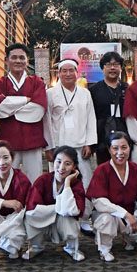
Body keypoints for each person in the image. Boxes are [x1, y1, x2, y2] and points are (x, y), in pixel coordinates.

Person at [44, 58, 97, 233]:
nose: (68, 74)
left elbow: (91, 118)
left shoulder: (85, 93)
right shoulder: (50, 93)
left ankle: (84, 217)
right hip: (59, 147)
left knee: (85, 182)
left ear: (77, 73)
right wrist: (49, 147)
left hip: (81, 146)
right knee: (58, 183)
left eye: (71, 70)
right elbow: (46, 121)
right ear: (58, 73)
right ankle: (58, 218)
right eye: (64, 71)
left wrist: (89, 143)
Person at [87, 131, 137, 262]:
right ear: (109, 150)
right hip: (109, 214)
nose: (120, 152)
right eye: (115, 148)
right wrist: (125, 214)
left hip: (131, 216)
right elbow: (99, 202)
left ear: (130, 148)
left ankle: (127, 237)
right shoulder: (102, 170)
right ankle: (104, 249)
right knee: (106, 219)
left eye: (124, 147)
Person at [0, 43, 47, 183]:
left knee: (35, 182)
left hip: (32, 140)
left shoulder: (37, 82)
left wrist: (11, 107)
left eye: (22, 58)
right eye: (14, 57)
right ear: (6, 60)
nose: (18, 61)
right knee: (6, 181)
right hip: (8, 142)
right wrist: (26, 100)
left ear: (27, 61)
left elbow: (38, 110)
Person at [22, 146, 87, 261]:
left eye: (67, 164)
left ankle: (72, 248)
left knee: (69, 217)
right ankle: (36, 247)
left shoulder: (76, 184)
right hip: (43, 221)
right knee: (30, 217)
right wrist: (59, 209)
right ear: (53, 161)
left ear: (74, 167)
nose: (62, 167)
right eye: (59, 161)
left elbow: (74, 211)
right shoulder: (43, 180)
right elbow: (33, 208)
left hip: (62, 221)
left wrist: (67, 183)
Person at [89, 51, 129, 165]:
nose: (112, 68)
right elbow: (90, 117)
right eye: (108, 65)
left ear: (120, 68)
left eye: (116, 64)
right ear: (103, 68)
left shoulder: (127, 89)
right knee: (104, 169)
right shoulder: (94, 90)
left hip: (124, 137)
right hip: (103, 139)